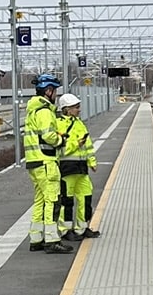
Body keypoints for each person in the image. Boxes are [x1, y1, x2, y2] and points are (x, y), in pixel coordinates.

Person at [23, 78, 70, 253]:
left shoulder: (32, 111)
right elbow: (49, 136)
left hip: (34, 162)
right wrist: (61, 140)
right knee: (53, 200)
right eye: (55, 91)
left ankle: (36, 239)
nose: (56, 95)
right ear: (48, 91)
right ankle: (52, 240)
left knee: (40, 201)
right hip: (46, 162)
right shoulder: (44, 111)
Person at [55, 93, 99, 240]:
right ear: (66, 109)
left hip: (81, 168)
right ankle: (65, 230)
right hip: (66, 168)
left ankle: (82, 228)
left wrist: (92, 161)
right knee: (66, 201)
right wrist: (76, 144)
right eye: (76, 107)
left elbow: (88, 145)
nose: (79, 110)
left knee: (86, 198)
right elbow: (59, 149)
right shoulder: (58, 124)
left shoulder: (79, 123)